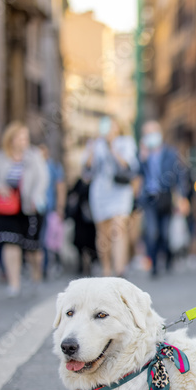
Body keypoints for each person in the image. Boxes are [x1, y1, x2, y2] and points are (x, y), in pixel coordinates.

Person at [0, 121, 50, 297]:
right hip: (7, 208)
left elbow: (43, 179)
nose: (24, 140)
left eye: (25, 137)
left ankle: (36, 277)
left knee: (32, 248)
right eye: (20, 137)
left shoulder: (34, 155)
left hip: (30, 207)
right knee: (10, 243)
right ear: (11, 139)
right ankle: (14, 283)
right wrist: (0, 188)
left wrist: (36, 196)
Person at [84, 116, 138, 277]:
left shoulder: (125, 142)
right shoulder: (95, 144)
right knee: (103, 232)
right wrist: (93, 147)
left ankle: (120, 269)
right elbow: (87, 170)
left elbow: (128, 165)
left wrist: (112, 147)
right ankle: (106, 268)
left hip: (120, 191)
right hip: (100, 192)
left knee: (118, 228)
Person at [137, 121, 186, 277]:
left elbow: (179, 175)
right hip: (149, 197)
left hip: (166, 197)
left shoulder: (170, 153)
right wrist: (142, 159)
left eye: (153, 132)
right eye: (147, 133)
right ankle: (153, 264)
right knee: (152, 232)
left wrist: (181, 196)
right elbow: (136, 174)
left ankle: (167, 257)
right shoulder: (142, 155)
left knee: (165, 233)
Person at [37, 143, 67, 279]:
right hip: (33, 208)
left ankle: (44, 267)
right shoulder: (33, 166)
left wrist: (60, 207)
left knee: (47, 240)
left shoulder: (53, 166)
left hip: (48, 208)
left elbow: (60, 187)